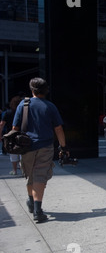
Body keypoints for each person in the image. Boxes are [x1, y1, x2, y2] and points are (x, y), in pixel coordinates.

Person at [12, 77, 69, 223]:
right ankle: (37, 210)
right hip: (45, 146)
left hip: (26, 146)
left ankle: (31, 202)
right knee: (40, 176)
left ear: (32, 90)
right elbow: (58, 128)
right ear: (46, 90)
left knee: (30, 175)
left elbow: (15, 128)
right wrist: (63, 147)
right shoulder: (49, 106)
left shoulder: (23, 105)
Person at [0, 96, 22, 174]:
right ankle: (23, 169)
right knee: (22, 152)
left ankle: (14, 170)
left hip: (11, 134)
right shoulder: (23, 113)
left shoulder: (7, 113)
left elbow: (1, 124)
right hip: (22, 134)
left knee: (13, 152)